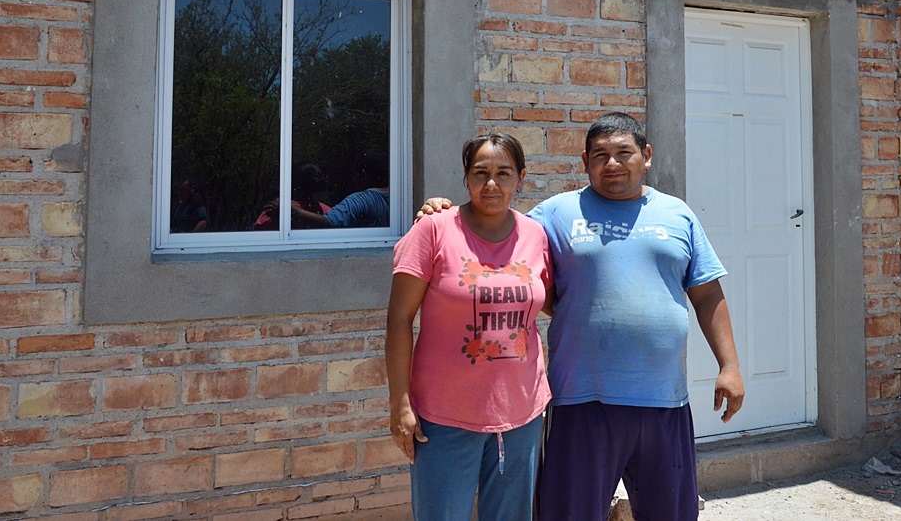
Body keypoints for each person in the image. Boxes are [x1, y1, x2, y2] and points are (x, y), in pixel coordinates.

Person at [421, 112, 744, 521]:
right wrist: (443, 213)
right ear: (585, 161)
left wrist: (729, 366)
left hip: (664, 399)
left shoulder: (678, 214)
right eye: (600, 155)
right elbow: (494, 232)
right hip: (582, 399)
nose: (612, 163)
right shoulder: (555, 214)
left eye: (623, 152)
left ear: (646, 155)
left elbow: (706, 292)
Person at [387, 133, 552, 521]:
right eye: (480, 172)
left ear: (521, 178)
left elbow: (552, 300)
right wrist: (400, 404)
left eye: (503, 173)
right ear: (466, 177)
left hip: (522, 415)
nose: (491, 183)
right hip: (445, 418)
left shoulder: (535, 234)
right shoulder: (434, 230)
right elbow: (398, 320)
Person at [286, 149, 391, 229]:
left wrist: (292, 210)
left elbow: (330, 222)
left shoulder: (360, 200)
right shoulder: (397, 200)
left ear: (362, 174)